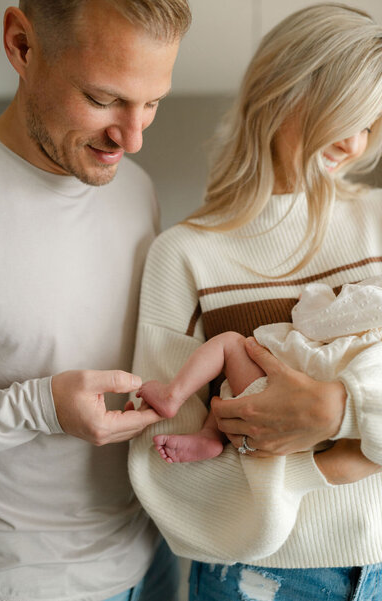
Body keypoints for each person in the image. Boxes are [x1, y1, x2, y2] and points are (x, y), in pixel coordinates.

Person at [129, 4, 382, 600]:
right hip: (267, 578)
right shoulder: (185, 256)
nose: (352, 141)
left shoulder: (377, 221)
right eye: (342, 115)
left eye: (368, 122)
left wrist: (338, 411)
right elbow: (165, 473)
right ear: (281, 94)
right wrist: (312, 468)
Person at [0, 1, 191, 600]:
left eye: (152, 102)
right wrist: (40, 407)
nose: (134, 138)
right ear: (21, 45)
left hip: (149, 554)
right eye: (104, 100)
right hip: (29, 580)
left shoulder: (135, 188)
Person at [137, 276, 382, 472]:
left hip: (278, 399)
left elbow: (315, 323)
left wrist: (315, 296)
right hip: (346, 439)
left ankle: (173, 396)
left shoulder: (375, 296)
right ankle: (210, 435)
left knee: (230, 345)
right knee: (234, 384)